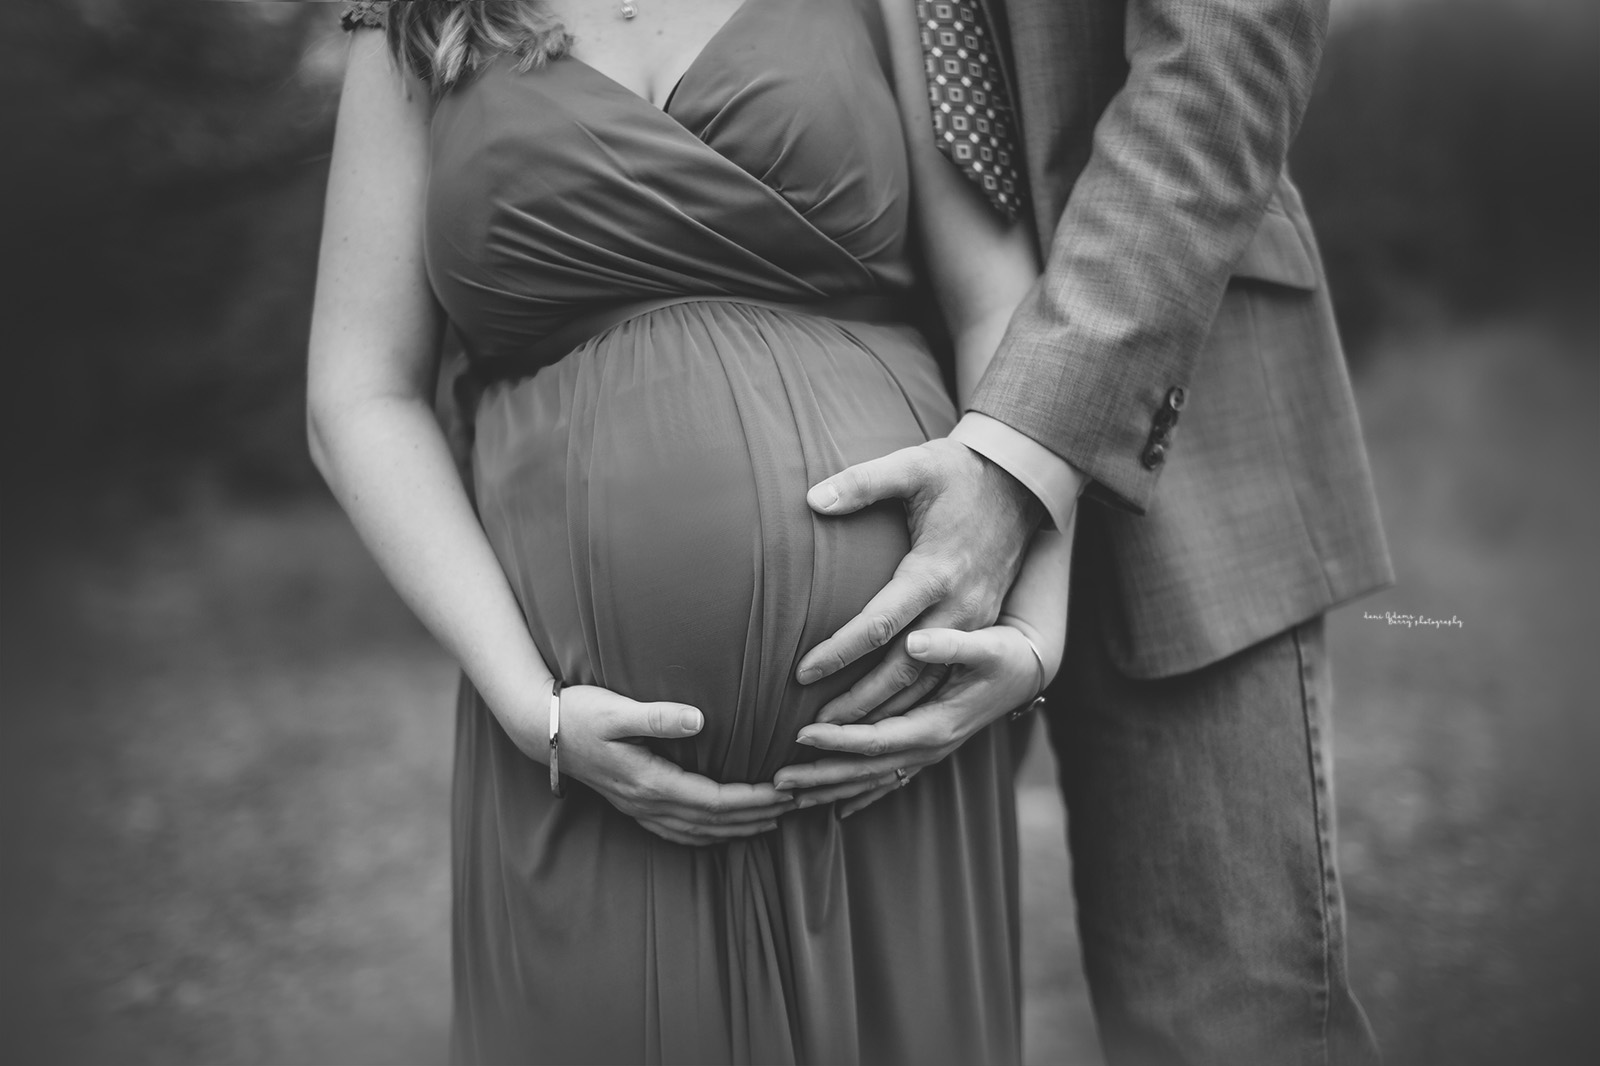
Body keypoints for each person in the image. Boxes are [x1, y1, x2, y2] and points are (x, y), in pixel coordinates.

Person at [308, 1, 1063, 1062]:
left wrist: (1037, 629)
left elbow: (999, 302)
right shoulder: (412, 16)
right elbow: (357, 391)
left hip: (890, 757)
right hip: (581, 760)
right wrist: (536, 711)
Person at [772, 0, 1395, 1063]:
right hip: (839, 449)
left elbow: (1231, 48)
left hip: (1170, 381)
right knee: (864, 1018)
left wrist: (1019, 449)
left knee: (1222, 1021)